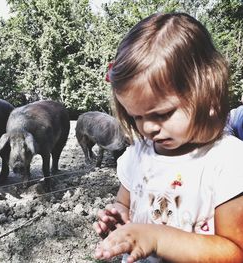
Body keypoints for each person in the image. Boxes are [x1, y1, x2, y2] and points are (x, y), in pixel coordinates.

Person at [93, 12, 243, 263]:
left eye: (162, 114)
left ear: (207, 92)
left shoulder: (228, 162)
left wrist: (158, 238)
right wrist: (118, 217)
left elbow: (235, 252)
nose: (148, 128)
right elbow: (124, 202)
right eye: (137, 117)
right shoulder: (138, 154)